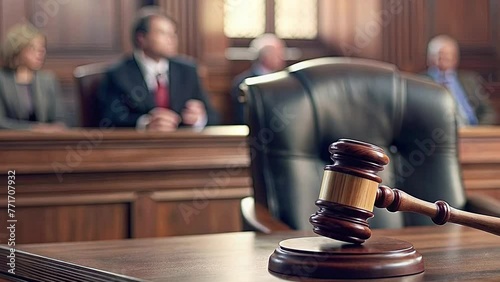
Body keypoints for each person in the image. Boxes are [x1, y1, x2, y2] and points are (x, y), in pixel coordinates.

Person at [98, 6, 218, 131]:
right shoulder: (118, 74)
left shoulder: (188, 70)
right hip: (137, 147)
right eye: (163, 33)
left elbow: (213, 117)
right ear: (141, 38)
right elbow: (108, 119)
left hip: (183, 145)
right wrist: (145, 124)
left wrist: (199, 119)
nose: (171, 39)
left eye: (173, 33)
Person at [0, 23, 65, 131]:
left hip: (46, 142)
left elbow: (62, 119)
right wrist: (32, 129)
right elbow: (1, 122)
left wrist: (55, 128)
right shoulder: (2, 80)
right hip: (10, 144)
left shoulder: (48, 79)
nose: (40, 53)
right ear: (17, 50)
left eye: (42, 48)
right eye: (33, 48)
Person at [424, 35, 496, 126]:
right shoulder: (419, 82)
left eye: (447, 55)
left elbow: (488, 111)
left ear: (455, 59)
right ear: (429, 59)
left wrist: (481, 131)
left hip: (473, 132)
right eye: (439, 55)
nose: (442, 59)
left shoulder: (470, 79)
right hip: (439, 134)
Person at [230, 33, 286, 124]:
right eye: (278, 53)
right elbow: (243, 117)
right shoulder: (243, 83)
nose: (282, 57)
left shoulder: (285, 81)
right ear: (265, 56)